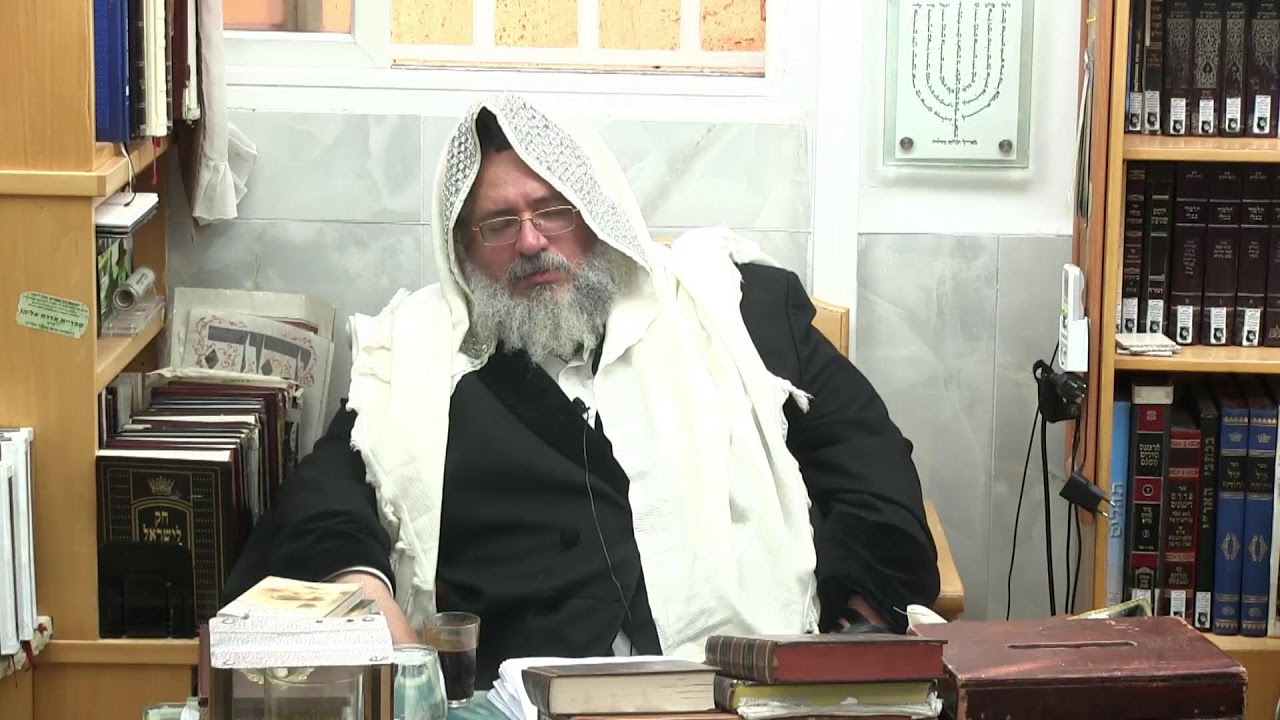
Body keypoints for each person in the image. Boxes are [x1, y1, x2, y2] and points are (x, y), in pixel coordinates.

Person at [223, 92, 940, 689]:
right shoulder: (415, 358)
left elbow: (870, 462)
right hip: (521, 697)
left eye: (553, 210)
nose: (532, 242)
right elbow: (325, 498)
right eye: (498, 224)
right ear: (463, 249)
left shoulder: (733, 311)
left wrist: (857, 627)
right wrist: (366, 593)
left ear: (598, 211)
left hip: (735, 691)